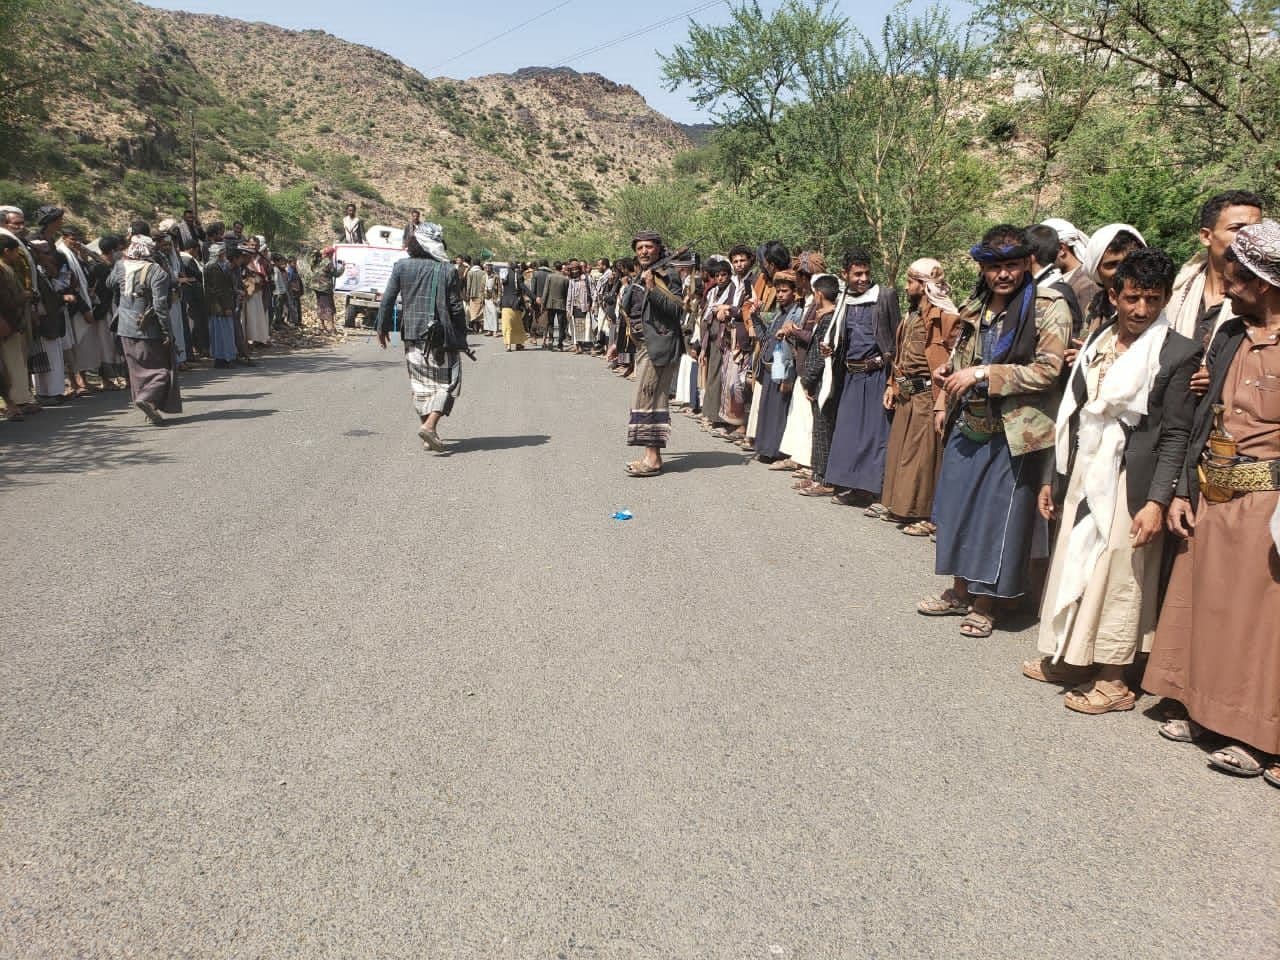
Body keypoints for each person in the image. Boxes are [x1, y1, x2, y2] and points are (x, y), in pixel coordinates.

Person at [1026, 248, 1200, 713]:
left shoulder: (1178, 352)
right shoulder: (1099, 338)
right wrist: (1053, 477)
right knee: (1076, 559)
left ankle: (1114, 678)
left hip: (1133, 478)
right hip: (1087, 465)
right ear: (1114, 295)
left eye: (1153, 299)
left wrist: (1156, 502)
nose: (1142, 309)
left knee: (1120, 571)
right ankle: (1072, 657)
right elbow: (1073, 411)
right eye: (1133, 298)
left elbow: (1176, 434)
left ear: (1165, 299)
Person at [1143, 219, 1280, 783]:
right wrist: (1182, 490)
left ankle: (1258, 735)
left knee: (1259, 622)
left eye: (1239, 276)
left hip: (1267, 503)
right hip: (1212, 492)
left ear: (1265, 282)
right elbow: (1201, 419)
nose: (1229, 284)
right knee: (1208, 608)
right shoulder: (1228, 336)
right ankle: (1204, 712)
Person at [920, 224, 1071, 637]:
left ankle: (985, 604)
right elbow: (962, 355)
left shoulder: (1049, 306)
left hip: (1016, 429)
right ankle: (958, 591)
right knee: (956, 509)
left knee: (995, 518)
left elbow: (1048, 371)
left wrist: (984, 373)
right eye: (994, 267)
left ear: (1028, 263)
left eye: (1012, 265)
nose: (1003, 274)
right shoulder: (977, 303)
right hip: (969, 420)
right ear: (983, 268)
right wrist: (948, 376)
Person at [879, 258, 961, 533]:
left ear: (925, 285)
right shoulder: (911, 316)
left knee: (923, 456)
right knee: (901, 451)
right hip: (907, 391)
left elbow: (954, 358)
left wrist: (943, 399)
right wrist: (892, 385)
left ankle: (923, 514)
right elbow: (902, 356)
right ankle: (901, 506)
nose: (906, 286)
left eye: (911, 281)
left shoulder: (945, 317)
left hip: (928, 393)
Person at [375, 223, 468, 452]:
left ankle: (428, 433)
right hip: (441, 338)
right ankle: (430, 426)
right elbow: (456, 308)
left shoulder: (401, 266)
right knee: (449, 382)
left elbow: (388, 299)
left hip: (411, 335)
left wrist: (382, 328)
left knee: (420, 385)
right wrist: (461, 335)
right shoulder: (447, 270)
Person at [820, 247, 901, 507]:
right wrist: (832, 348)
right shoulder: (844, 299)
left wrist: (891, 378)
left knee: (874, 435)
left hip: (876, 375)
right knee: (849, 432)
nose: (863, 279)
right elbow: (844, 337)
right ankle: (851, 485)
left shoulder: (885, 296)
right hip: (850, 376)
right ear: (845, 274)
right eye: (857, 274)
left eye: (866, 273)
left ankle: (870, 490)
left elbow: (897, 339)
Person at [610, 230, 684, 477]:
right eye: (640, 247)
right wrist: (618, 344)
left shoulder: (668, 275)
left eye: (649, 247)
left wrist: (652, 288)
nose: (644, 251)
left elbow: (676, 310)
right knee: (645, 399)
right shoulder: (640, 275)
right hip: (643, 346)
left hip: (659, 346)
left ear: (658, 249)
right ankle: (650, 455)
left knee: (650, 399)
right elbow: (630, 311)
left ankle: (653, 459)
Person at [1165, 189, 1263, 346]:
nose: (1250, 238)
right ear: (1206, 236)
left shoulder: (1265, 298)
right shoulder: (1176, 292)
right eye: (1237, 228)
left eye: (1256, 230)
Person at [108, 234, 181, 424]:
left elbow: (109, 283)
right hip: (148, 328)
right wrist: (167, 332)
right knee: (162, 369)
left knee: (137, 370)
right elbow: (160, 306)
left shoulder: (121, 266)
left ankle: (150, 406)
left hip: (124, 327)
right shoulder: (157, 272)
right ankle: (147, 398)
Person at [751, 269, 804, 460]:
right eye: (778, 291)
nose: (780, 295)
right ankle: (764, 449)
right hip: (769, 367)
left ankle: (775, 451)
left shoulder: (797, 314)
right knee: (767, 409)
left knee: (778, 410)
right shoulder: (777, 314)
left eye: (784, 291)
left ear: (794, 292)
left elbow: (793, 346)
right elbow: (766, 338)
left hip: (782, 368)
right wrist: (755, 317)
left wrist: (788, 376)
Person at [796, 274, 841, 497]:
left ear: (819, 294)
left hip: (824, 382)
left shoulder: (828, 319)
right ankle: (816, 474)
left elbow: (819, 356)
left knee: (823, 429)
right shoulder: (828, 317)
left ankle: (824, 478)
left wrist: (808, 380)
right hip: (822, 380)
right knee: (819, 428)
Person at [203, 243, 238, 368]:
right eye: (222, 253)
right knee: (223, 334)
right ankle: (224, 359)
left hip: (219, 306)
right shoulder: (213, 267)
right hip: (219, 307)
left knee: (220, 333)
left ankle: (222, 358)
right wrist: (226, 307)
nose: (224, 255)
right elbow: (219, 290)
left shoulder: (219, 266)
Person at [499, 262, 528, 351]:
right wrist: (534, 298)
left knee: (506, 325)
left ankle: (508, 345)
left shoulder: (504, 275)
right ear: (516, 268)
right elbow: (524, 288)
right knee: (517, 325)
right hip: (515, 304)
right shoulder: (518, 276)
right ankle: (518, 344)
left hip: (505, 304)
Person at [542, 261, 570, 350]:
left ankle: (551, 340)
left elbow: (546, 290)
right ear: (561, 268)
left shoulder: (550, 276)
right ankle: (560, 344)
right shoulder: (565, 279)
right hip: (561, 304)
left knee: (550, 323)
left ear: (554, 267)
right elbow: (567, 294)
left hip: (550, 303)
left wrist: (543, 303)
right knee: (561, 324)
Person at [310, 248, 337, 334]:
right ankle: (331, 327)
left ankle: (322, 325)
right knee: (329, 306)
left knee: (320, 305)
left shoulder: (317, 261)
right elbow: (336, 273)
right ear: (330, 254)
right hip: (325, 288)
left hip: (316, 287)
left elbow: (312, 269)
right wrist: (343, 267)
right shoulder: (328, 262)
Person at [463, 256, 486, 334]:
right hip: (481, 295)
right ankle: (481, 328)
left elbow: (468, 285)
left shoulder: (470, 273)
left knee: (473, 312)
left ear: (473, 263)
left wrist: (467, 294)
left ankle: (475, 329)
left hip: (472, 296)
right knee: (480, 312)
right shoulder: (483, 273)